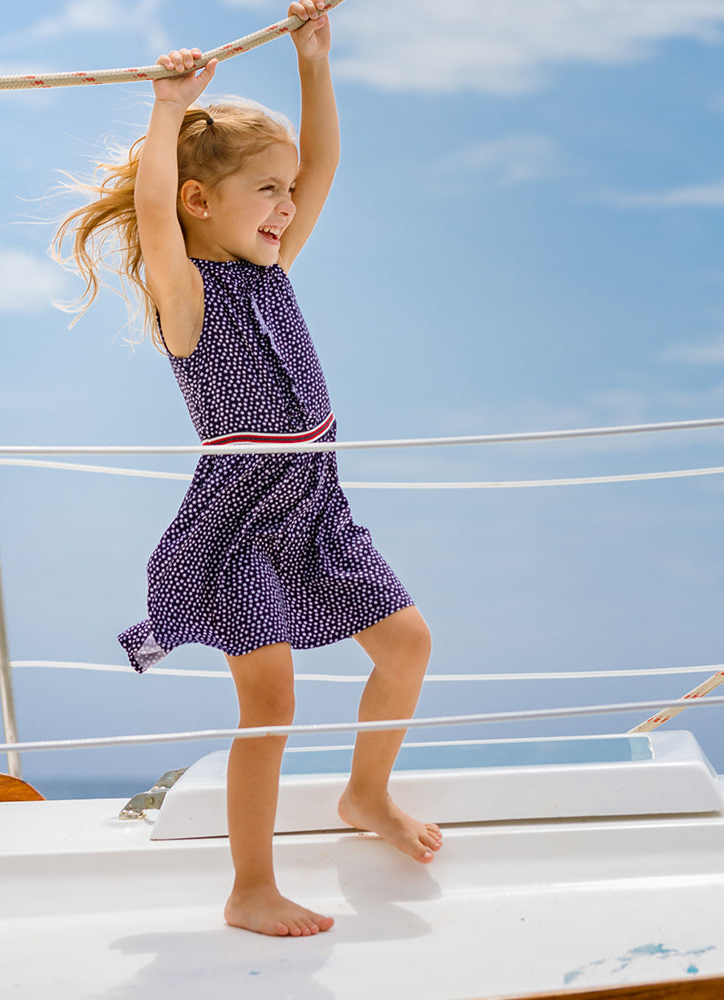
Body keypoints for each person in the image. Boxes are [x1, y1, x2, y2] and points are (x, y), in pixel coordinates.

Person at [56, 1, 442, 937]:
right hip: (239, 519)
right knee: (270, 703)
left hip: (317, 503)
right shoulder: (186, 294)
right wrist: (168, 109)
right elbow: (152, 210)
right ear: (201, 200)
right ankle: (250, 888)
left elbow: (328, 169)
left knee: (408, 645)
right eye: (265, 191)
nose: (285, 206)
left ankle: (366, 793)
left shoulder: (274, 271)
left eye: (286, 192)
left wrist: (315, 59)